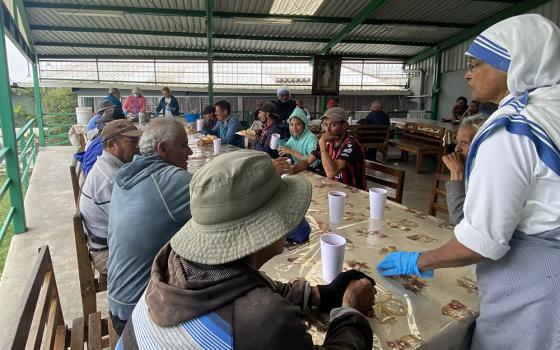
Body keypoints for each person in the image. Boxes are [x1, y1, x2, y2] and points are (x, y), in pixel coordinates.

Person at [377, 14, 560, 349]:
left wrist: (419, 260)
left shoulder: (513, 129)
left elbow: (482, 243)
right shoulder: (551, 110)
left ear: (513, 64)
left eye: (477, 63)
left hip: (538, 288)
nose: (467, 73)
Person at [117, 150, 376, 349]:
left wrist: (321, 294)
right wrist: (349, 311)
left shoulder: (175, 261)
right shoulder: (264, 320)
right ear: (267, 226)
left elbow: (245, 286)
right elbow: (257, 311)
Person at [107, 118, 194, 334]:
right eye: (184, 145)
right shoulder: (170, 181)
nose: (190, 152)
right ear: (162, 149)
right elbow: (227, 195)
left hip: (118, 301)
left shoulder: (128, 175)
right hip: (139, 313)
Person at [79, 120, 141, 277]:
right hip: (107, 254)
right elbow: (132, 229)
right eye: (132, 142)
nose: (138, 147)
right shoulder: (110, 179)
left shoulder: (107, 166)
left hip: (108, 243)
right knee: (171, 264)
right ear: (112, 145)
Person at [294, 107, 367, 190]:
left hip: (354, 192)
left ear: (344, 125)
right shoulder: (327, 142)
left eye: (333, 125)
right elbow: (307, 160)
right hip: (334, 188)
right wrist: (292, 170)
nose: (327, 130)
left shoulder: (351, 145)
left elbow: (331, 172)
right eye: (325, 124)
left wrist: (321, 143)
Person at [441, 115, 486, 225]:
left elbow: (459, 221)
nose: (456, 148)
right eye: (457, 142)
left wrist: (457, 173)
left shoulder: (488, 175)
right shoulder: (471, 168)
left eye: (464, 143)